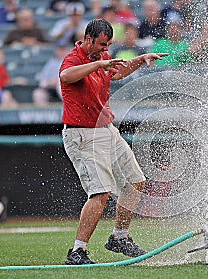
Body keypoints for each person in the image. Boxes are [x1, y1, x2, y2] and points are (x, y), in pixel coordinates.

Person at [60, 18, 168, 265]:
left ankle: (119, 237)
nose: (104, 48)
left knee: (135, 181)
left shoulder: (103, 58)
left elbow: (117, 72)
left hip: (106, 130)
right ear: (88, 39)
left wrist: (140, 60)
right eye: (100, 44)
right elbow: (66, 76)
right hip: (83, 133)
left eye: (107, 44)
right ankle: (77, 251)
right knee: (100, 192)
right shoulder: (74, 58)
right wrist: (99, 62)